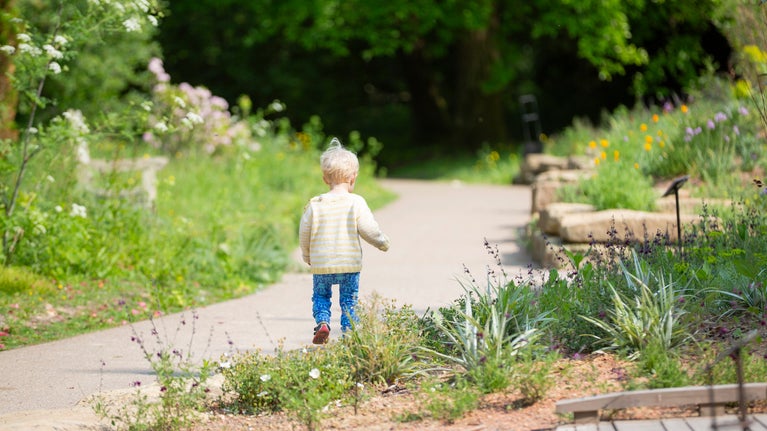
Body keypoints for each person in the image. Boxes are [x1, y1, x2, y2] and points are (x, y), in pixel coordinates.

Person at [298, 137, 390, 344]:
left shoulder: (315, 204)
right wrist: (382, 242)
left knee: (321, 296)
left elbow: (304, 232)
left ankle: (322, 322)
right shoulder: (356, 202)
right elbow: (368, 229)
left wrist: (307, 254)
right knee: (349, 300)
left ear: (325, 178)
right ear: (353, 178)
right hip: (349, 264)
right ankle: (349, 334)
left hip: (322, 265)